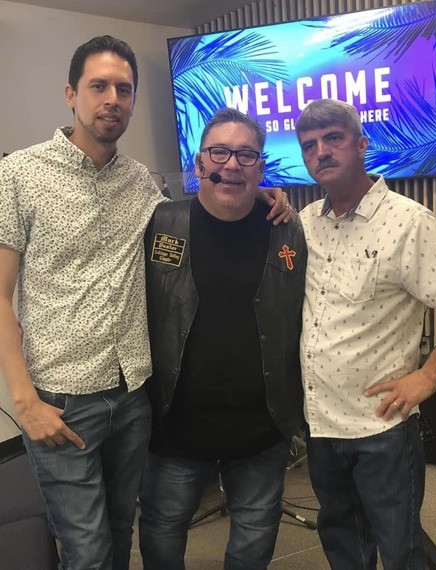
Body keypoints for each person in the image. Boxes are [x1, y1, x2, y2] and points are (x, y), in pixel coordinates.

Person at [0, 36, 289, 570]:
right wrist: (24, 401)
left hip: (133, 396)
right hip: (62, 399)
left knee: (119, 532)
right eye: (98, 86)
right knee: (86, 550)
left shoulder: (140, 184)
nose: (112, 98)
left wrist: (264, 194)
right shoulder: (19, 174)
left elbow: (208, 203)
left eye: (124, 89)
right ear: (71, 94)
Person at [294, 99, 436, 570]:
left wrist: (427, 377)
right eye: (309, 145)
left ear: (361, 144)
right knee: (343, 543)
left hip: (381, 427)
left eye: (333, 138)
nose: (321, 152)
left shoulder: (408, 221)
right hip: (320, 424)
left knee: (400, 547)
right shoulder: (305, 224)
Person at [139, 107, 307, 570]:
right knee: (162, 529)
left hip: (262, 424)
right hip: (175, 423)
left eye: (246, 155)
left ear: (260, 166)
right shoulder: (160, 223)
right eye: (219, 152)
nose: (232, 164)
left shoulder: (287, 227)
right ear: (199, 164)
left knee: (255, 536)